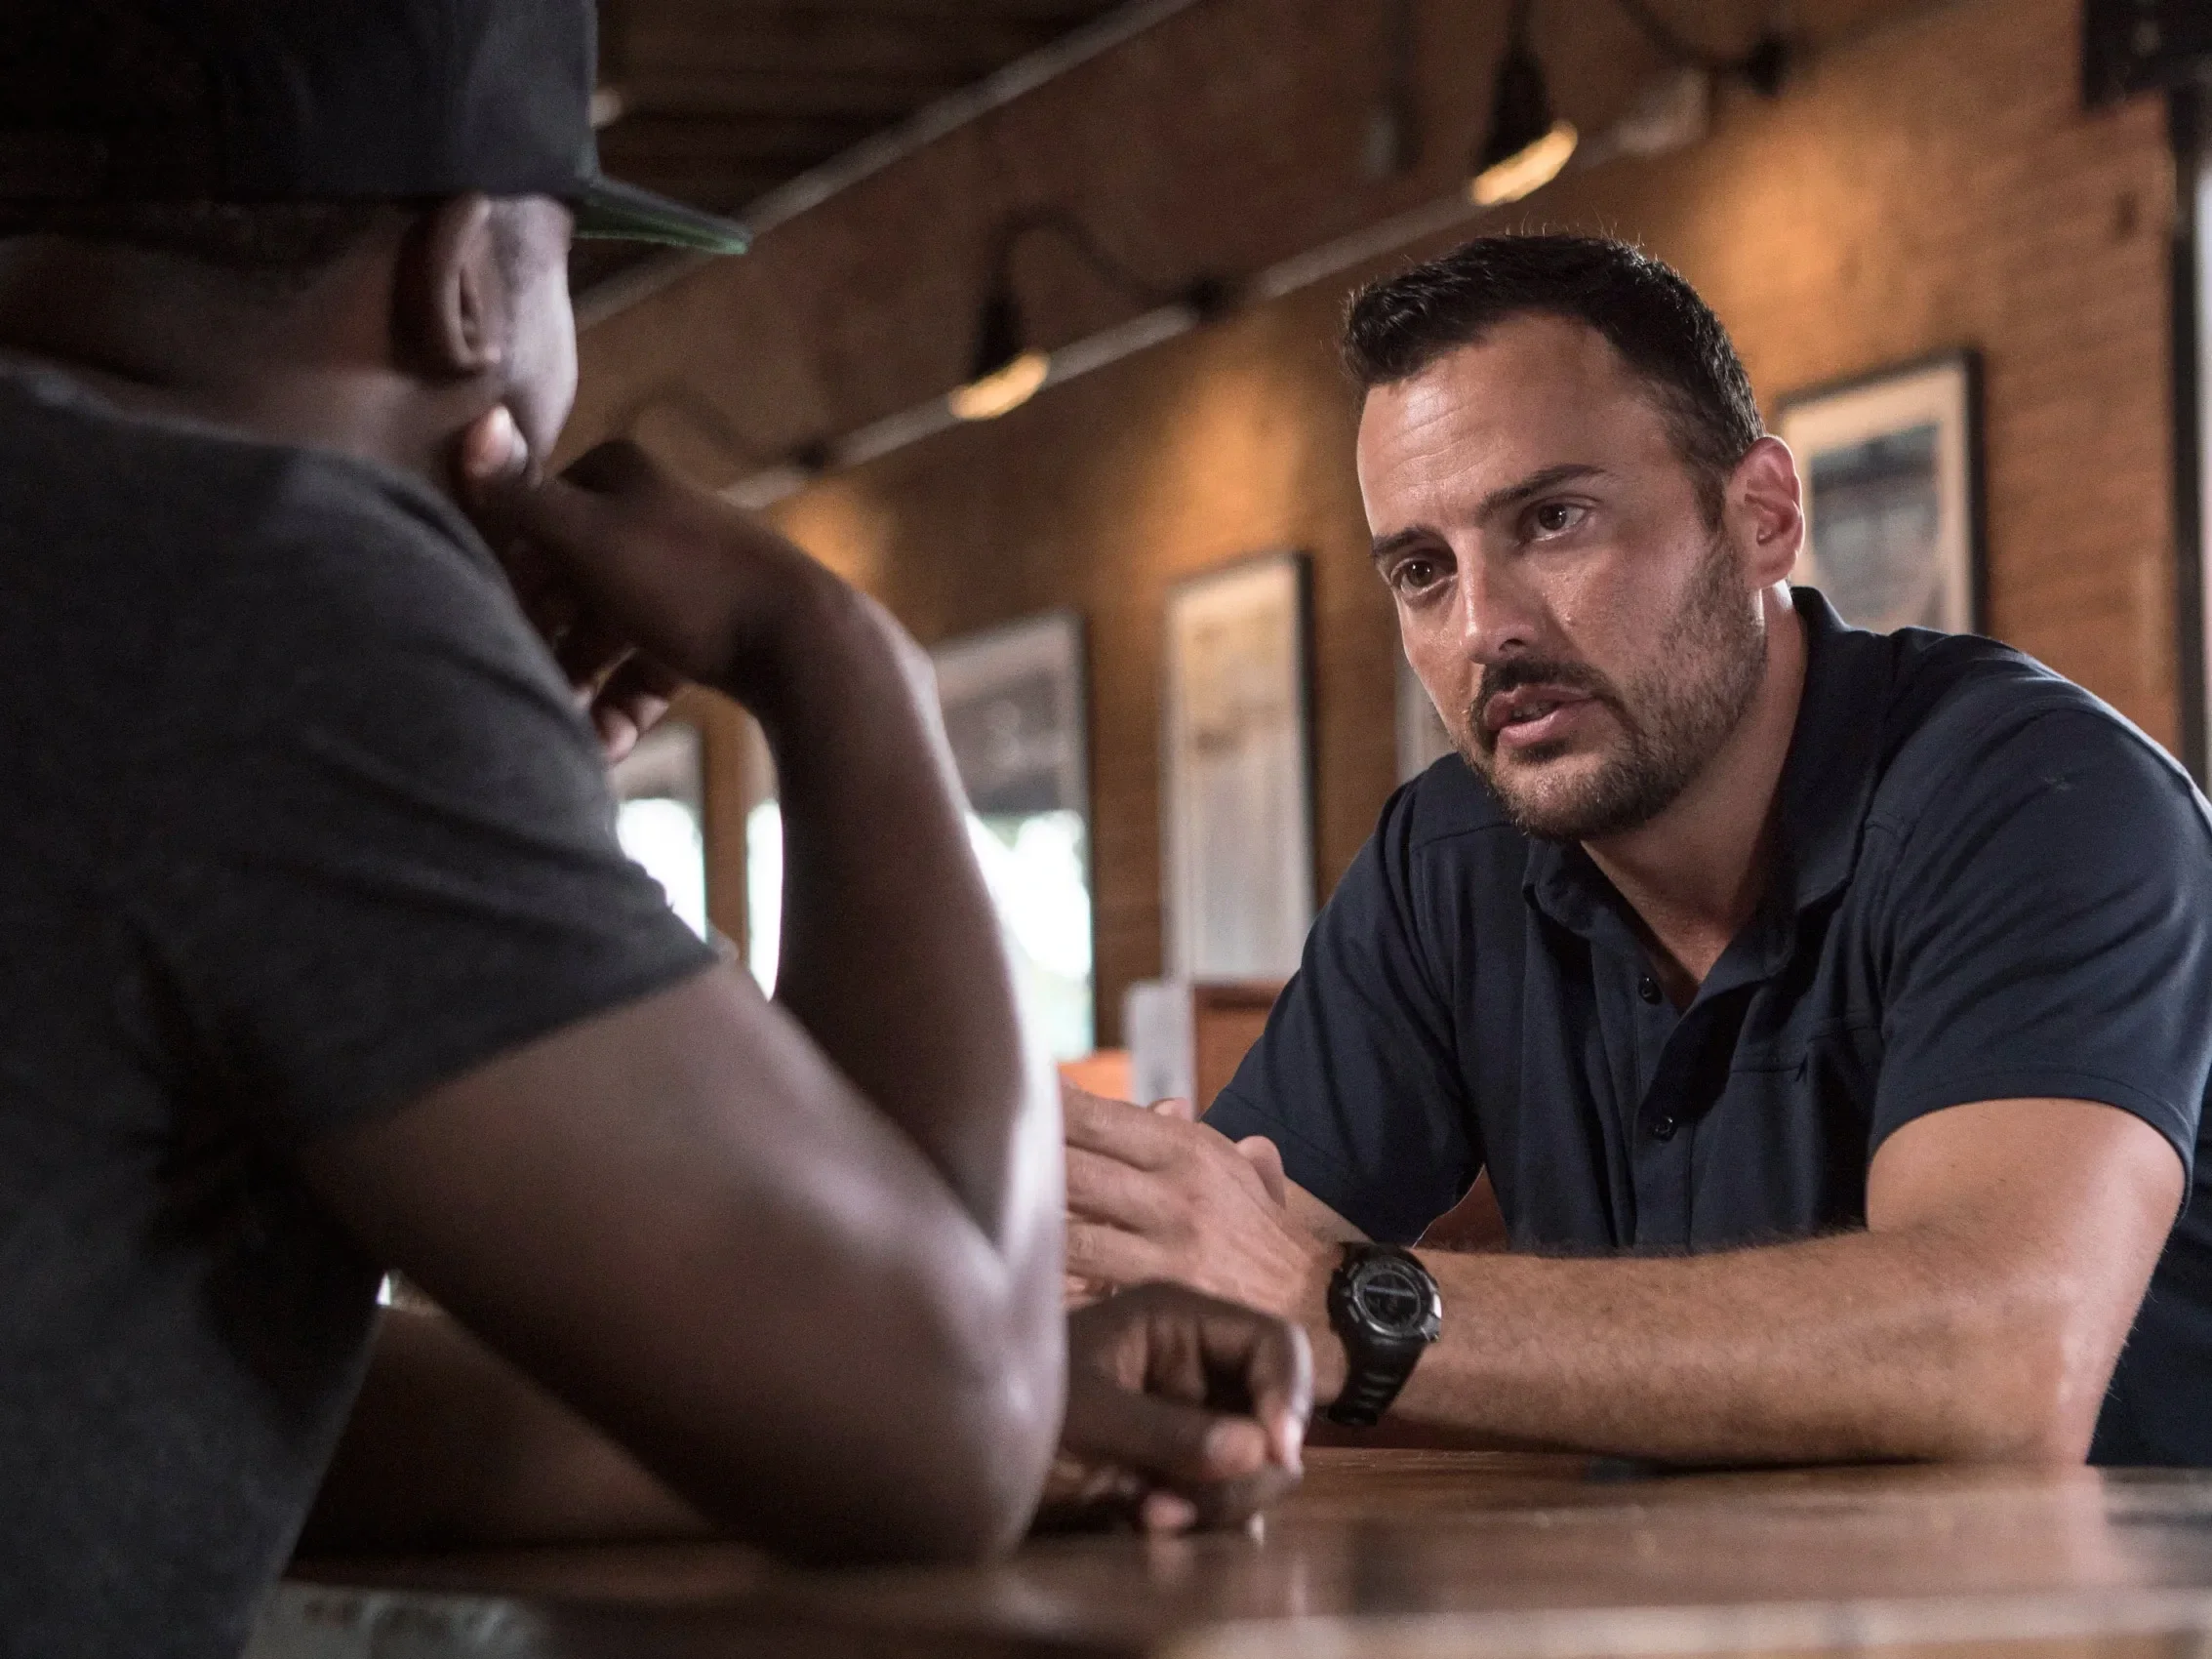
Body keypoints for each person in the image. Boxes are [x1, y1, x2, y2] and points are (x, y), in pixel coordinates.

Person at [0, 4, 1310, 1656]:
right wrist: (833, 659)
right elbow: (937, 1438)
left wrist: (786, 1384)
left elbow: (234, 1406)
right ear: (470, 279)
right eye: (566, 268)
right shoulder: (255, 583)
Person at [1064, 232, 2212, 1468]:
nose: (1484, 628)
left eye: (1552, 520)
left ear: (1760, 515)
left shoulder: (2036, 798)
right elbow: (1214, 1306)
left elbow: (1999, 1363)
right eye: (1419, 569)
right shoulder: (1446, 857)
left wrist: (1334, 1306)